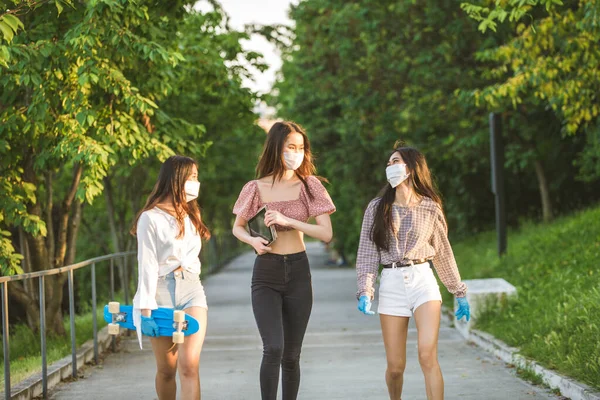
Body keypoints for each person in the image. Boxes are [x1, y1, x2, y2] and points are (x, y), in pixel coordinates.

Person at [355, 144, 471, 400]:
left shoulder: (430, 207)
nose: (390, 166)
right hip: (392, 283)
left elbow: (442, 252)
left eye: (395, 161)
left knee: (427, 355)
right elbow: (366, 253)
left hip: (422, 281)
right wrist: (365, 289)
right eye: (388, 163)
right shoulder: (376, 208)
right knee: (396, 368)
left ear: (411, 168)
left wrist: (458, 290)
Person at [232, 121, 336, 400]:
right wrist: (253, 240)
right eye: (291, 147)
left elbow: (326, 233)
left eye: (301, 148)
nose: (297, 153)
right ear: (277, 148)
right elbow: (238, 227)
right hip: (266, 272)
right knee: (273, 348)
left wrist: (289, 220)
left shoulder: (310, 185)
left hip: (299, 272)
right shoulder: (254, 187)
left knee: (291, 355)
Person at [131, 155, 210, 400]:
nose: (197, 182)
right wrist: (145, 310)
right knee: (167, 369)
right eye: (193, 177)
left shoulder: (190, 214)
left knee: (189, 365)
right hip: (160, 291)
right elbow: (146, 264)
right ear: (177, 179)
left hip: (191, 289)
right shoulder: (150, 218)